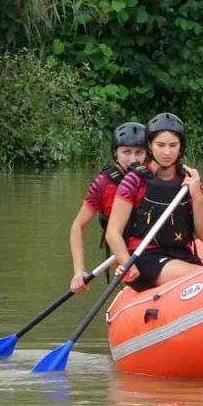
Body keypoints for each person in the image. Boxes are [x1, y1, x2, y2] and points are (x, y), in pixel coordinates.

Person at [105, 112, 203, 292]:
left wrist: (197, 195)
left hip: (182, 255)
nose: (167, 152)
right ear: (149, 145)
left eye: (173, 145)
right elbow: (112, 232)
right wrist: (127, 264)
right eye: (160, 145)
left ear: (181, 147)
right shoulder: (134, 180)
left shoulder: (189, 181)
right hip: (144, 258)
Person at [67, 121, 147, 292]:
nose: (133, 159)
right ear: (115, 153)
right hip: (124, 252)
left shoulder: (153, 176)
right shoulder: (103, 184)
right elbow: (78, 226)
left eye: (139, 152)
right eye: (126, 152)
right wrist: (79, 271)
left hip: (152, 247)